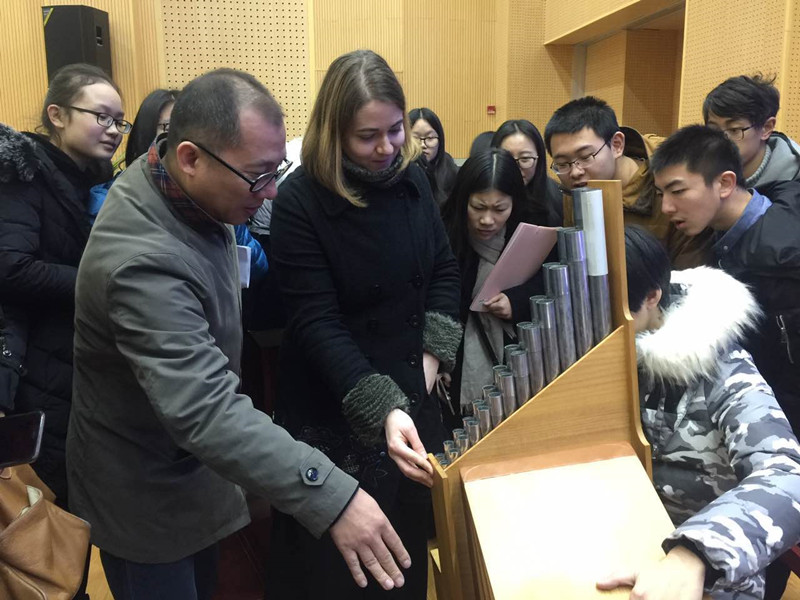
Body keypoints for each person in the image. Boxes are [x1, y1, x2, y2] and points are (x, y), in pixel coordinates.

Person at [67, 68, 414, 598]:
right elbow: (205, 408)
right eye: (257, 177)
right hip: (145, 493)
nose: (271, 191)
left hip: (193, 469)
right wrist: (334, 497)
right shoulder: (140, 261)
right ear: (190, 157)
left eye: (276, 172)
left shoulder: (181, 183)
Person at [268, 49, 462, 598]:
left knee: (403, 563)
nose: (386, 148)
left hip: (412, 394)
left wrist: (426, 367)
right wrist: (386, 407)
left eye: (395, 130)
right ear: (334, 132)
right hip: (334, 405)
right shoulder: (299, 200)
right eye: (367, 136)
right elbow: (316, 322)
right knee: (337, 576)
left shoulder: (413, 180)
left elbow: (444, 273)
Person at [597, 225, 800, 600]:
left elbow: (788, 474)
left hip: (707, 573)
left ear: (652, 297)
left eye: (607, 312)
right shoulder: (597, 354)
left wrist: (694, 553)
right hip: (619, 541)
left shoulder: (721, 368)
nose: (596, 328)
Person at [650, 125, 800, 597]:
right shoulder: (724, 242)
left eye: (678, 191)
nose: (666, 207)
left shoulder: (781, 254)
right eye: (660, 193)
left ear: (725, 183)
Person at [0, 62, 126, 600]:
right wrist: (101, 284)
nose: (114, 130)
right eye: (101, 116)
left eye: (120, 121)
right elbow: (11, 266)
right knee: (41, 521)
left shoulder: (88, 182)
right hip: (32, 369)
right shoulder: (24, 174)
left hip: (70, 364)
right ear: (56, 114)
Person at [544, 97, 707, 268]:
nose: (575, 172)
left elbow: (691, 271)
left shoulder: (671, 182)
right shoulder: (575, 189)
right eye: (562, 164)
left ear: (616, 145)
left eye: (585, 157)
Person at [440, 148, 543, 417]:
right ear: (463, 199)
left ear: (514, 203)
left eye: (500, 209)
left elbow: (549, 287)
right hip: (456, 365)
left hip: (520, 362)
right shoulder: (443, 232)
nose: (487, 220)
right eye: (478, 207)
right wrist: (440, 358)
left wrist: (516, 301)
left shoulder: (534, 227)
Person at [703, 74, 800, 188]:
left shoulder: (794, 184)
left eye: (734, 130)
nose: (721, 141)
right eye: (714, 131)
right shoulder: (699, 177)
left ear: (766, 128)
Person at [491, 119, 563, 226]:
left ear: (539, 160)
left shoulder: (558, 198)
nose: (515, 168)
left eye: (525, 158)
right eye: (508, 158)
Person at [409, 107, 458, 206]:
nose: (422, 145)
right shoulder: (397, 173)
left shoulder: (452, 172)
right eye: (415, 138)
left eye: (430, 137)